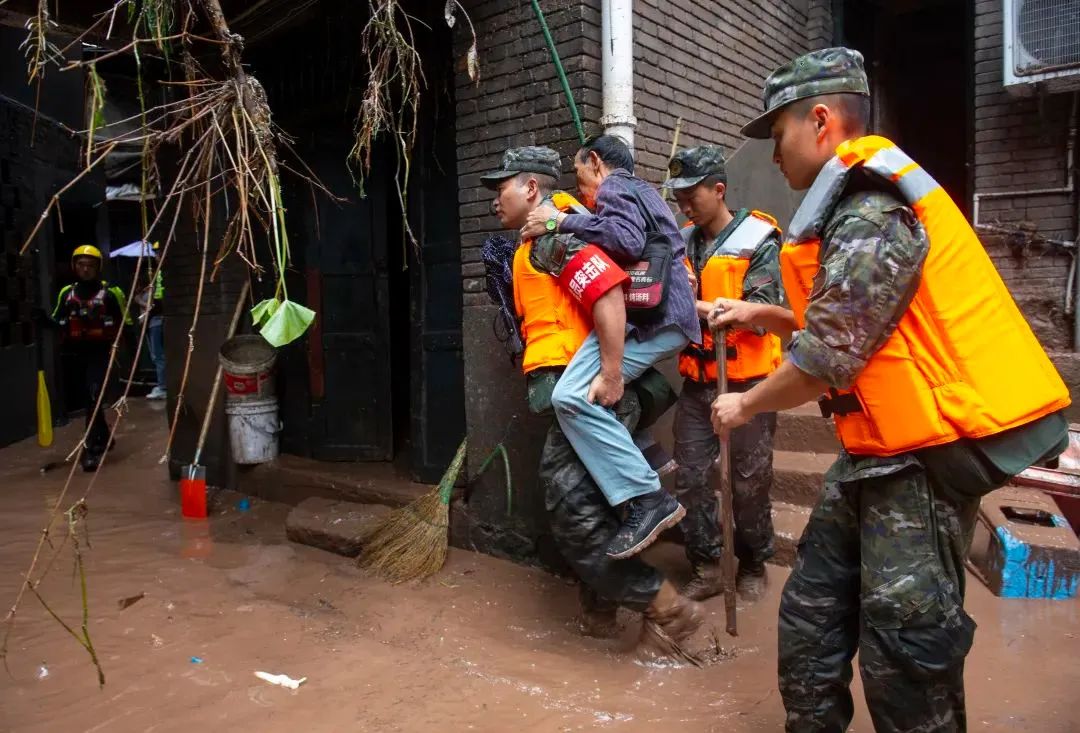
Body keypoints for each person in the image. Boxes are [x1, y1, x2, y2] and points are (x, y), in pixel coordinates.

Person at [710, 47, 1070, 732]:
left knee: (905, 653)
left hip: (919, 468)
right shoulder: (844, 211)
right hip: (870, 457)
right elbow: (865, 322)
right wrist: (767, 314)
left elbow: (827, 358)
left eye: (777, 133)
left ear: (820, 122)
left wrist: (746, 402)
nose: (774, 154)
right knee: (809, 620)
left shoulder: (872, 207)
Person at [481, 146, 704, 657]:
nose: (496, 200)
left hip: (590, 388)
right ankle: (603, 609)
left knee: (572, 508)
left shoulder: (555, 234)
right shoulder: (532, 243)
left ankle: (667, 610)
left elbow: (606, 293)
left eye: (502, 189)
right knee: (592, 501)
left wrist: (608, 375)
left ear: (531, 189)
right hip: (575, 389)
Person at [520, 135, 701, 560]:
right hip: (670, 318)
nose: (582, 189)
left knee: (570, 396)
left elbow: (624, 238)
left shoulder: (618, 186)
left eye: (581, 174)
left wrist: (558, 222)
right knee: (588, 398)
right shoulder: (644, 192)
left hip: (655, 318)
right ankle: (648, 458)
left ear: (596, 162)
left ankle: (647, 497)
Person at [663, 145, 783, 602]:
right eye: (679, 197)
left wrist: (701, 304)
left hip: (749, 385)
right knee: (691, 476)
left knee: (748, 483)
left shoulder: (758, 239)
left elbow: (762, 313)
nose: (684, 205)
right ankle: (707, 564)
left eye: (692, 195)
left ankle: (753, 561)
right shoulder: (681, 241)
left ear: (719, 189)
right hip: (698, 386)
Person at [49, 245, 131, 471]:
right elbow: (57, 321)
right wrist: (43, 321)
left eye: (90, 265)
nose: (85, 270)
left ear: (98, 268)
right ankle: (104, 437)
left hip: (101, 353)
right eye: (81, 265)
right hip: (75, 354)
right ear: (74, 266)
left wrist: (128, 357)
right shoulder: (67, 293)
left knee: (94, 397)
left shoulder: (112, 293)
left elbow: (127, 324)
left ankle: (90, 449)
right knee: (88, 400)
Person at [145, 267, 166, 400]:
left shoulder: (161, 273)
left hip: (158, 319)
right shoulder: (159, 273)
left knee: (158, 355)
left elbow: (157, 301)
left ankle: (163, 386)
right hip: (160, 318)